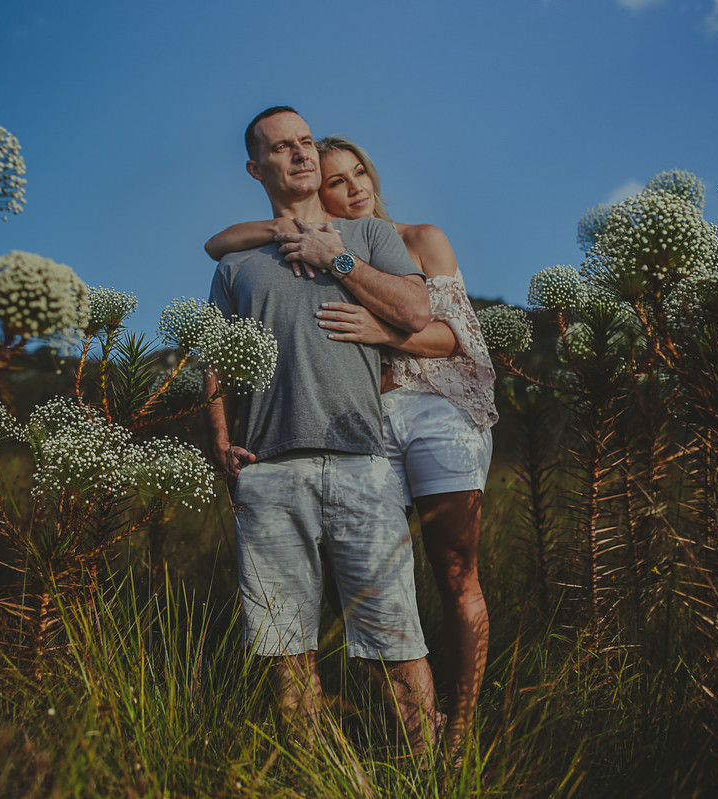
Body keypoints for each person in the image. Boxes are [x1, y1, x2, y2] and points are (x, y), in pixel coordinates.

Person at [206, 135, 498, 754]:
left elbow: (450, 334)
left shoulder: (404, 238)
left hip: (436, 409)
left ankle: (458, 729)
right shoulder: (285, 244)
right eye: (337, 180)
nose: (353, 186)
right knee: (357, 583)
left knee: (453, 572)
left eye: (358, 172)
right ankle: (353, 732)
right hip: (370, 420)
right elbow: (219, 245)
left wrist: (379, 326)